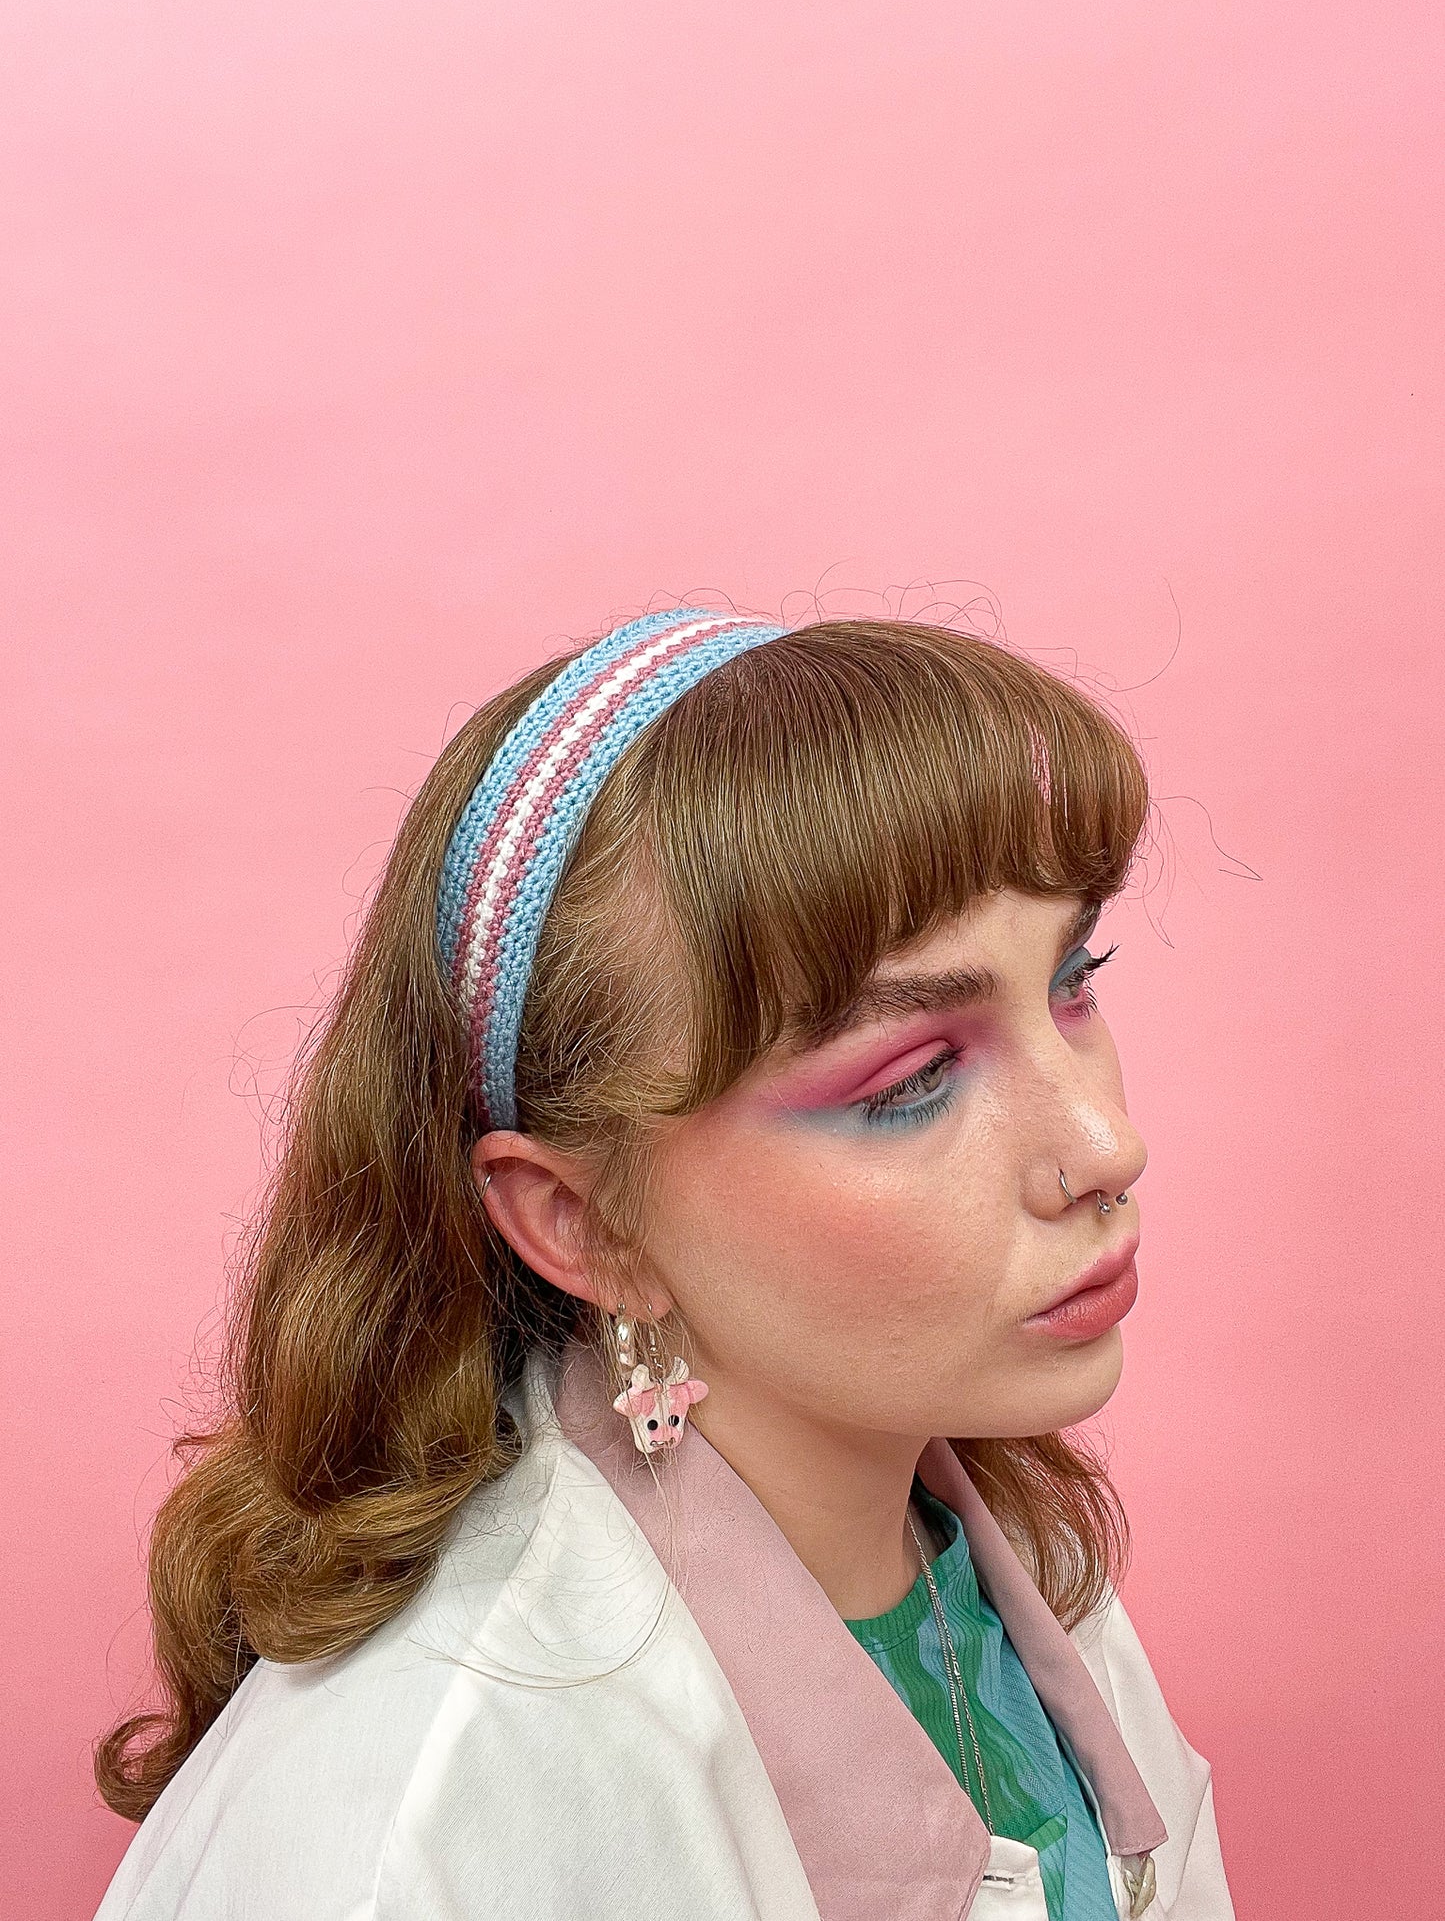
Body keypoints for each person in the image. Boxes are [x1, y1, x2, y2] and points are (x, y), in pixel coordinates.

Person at [93, 605, 1237, 1919]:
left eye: (1072, 980)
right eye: (913, 1078)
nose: (1105, 1142)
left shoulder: (995, 1572)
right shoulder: (432, 1811)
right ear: (585, 1224)